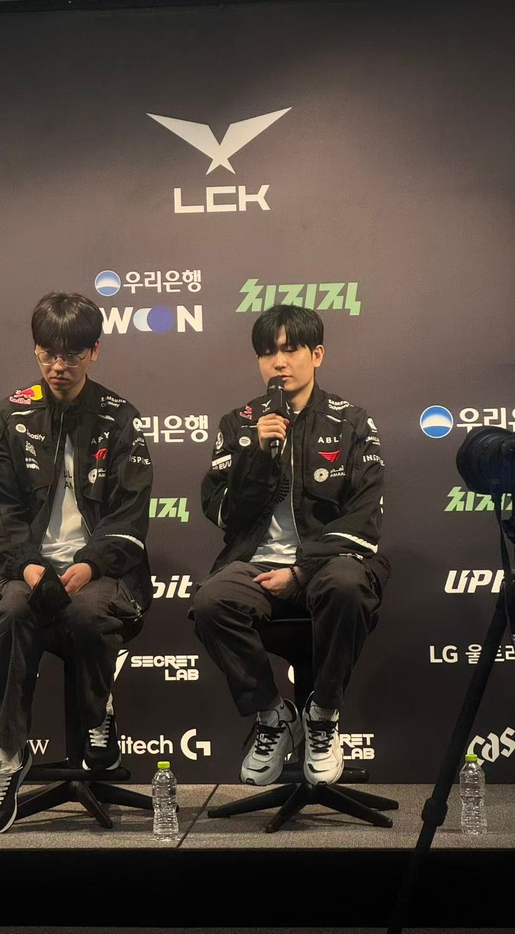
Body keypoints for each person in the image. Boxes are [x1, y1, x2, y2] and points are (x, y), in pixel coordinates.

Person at [190, 304, 390, 787]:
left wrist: (301, 571)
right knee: (212, 601)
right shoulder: (238, 424)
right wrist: (257, 456)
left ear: (316, 354)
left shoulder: (352, 421)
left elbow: (365, 516)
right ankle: (272, 715)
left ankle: (322, 715)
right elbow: (223, 513)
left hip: (329, 564)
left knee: (346, 584)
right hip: (257, 565)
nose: (278, 362)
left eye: (290, 349)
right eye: (267, 352)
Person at [0, 292, 153, 834]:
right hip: (30, 571)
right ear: (36, 350)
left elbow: (130, 513)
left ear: (93, 351)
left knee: (87, 613)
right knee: (10, 613)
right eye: (47, 353)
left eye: (71, 354)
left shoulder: (120, 417)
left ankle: (97, 715)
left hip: (101, 573)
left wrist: (92, 564)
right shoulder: (9, 415)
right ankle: (8, 754)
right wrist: (29, 566)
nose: (58, 365)